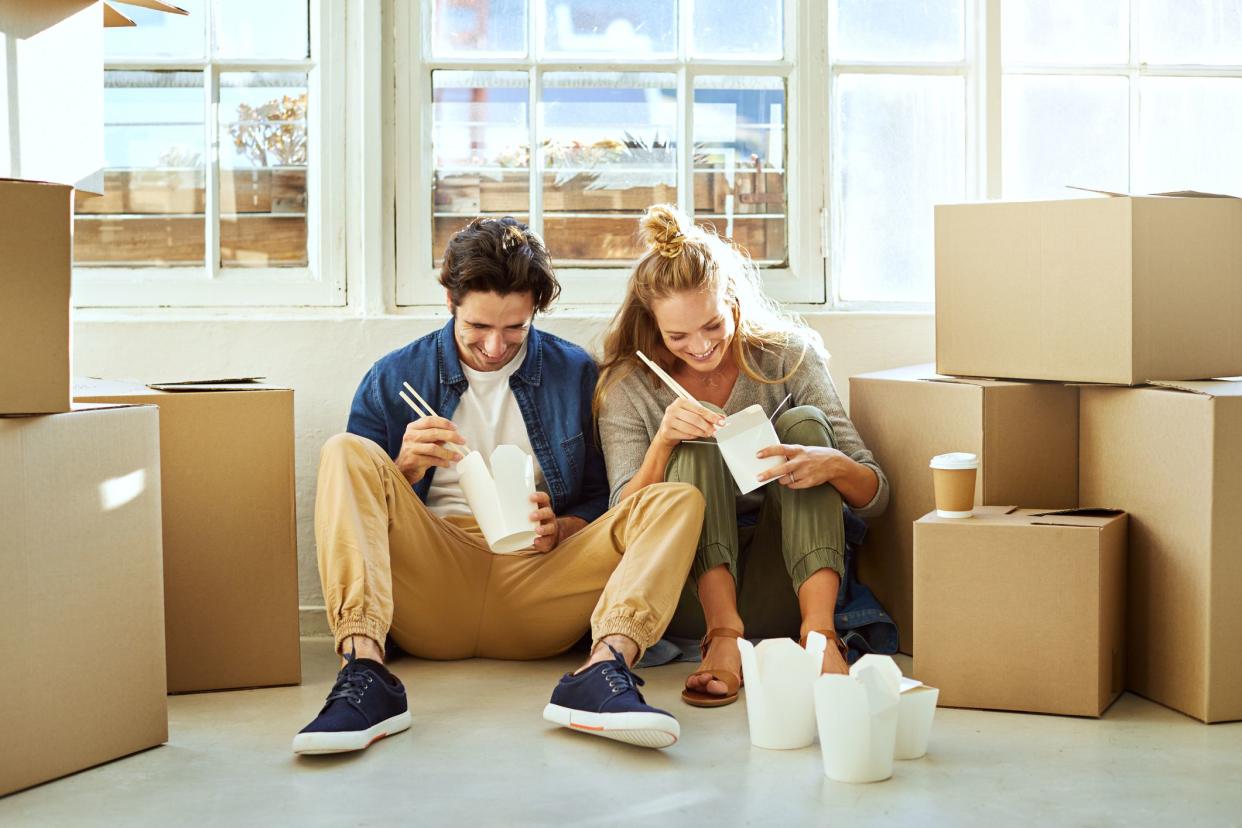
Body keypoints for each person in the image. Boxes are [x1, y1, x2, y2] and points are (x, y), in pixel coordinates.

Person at [294, 217, 704, 754]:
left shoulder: (575, 372)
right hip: (430, 583)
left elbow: (602, 497)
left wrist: (562, 527)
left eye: (515, 328)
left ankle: (603, 672)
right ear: (450, 301)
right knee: (344, 451)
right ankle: (366, 674)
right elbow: (354, 507)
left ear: (535, 306)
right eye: (478, 328)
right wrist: (404, 469)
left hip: (539, 584)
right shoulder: (394, 376)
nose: (494, 346)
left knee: (676, 499)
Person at [594, 204, 890, 708]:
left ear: (733, 301)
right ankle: (723, 639)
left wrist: (830, 463)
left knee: (807, 428)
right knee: (692, 434)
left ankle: (820, 639)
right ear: (652, 326)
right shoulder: (628, 385)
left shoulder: (786, 356)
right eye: (678, 336)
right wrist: (664, 443)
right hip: (688, 593)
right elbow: (621, 522)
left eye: (712, 325)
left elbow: (875, 496)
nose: (701, 347)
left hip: (792, 578)